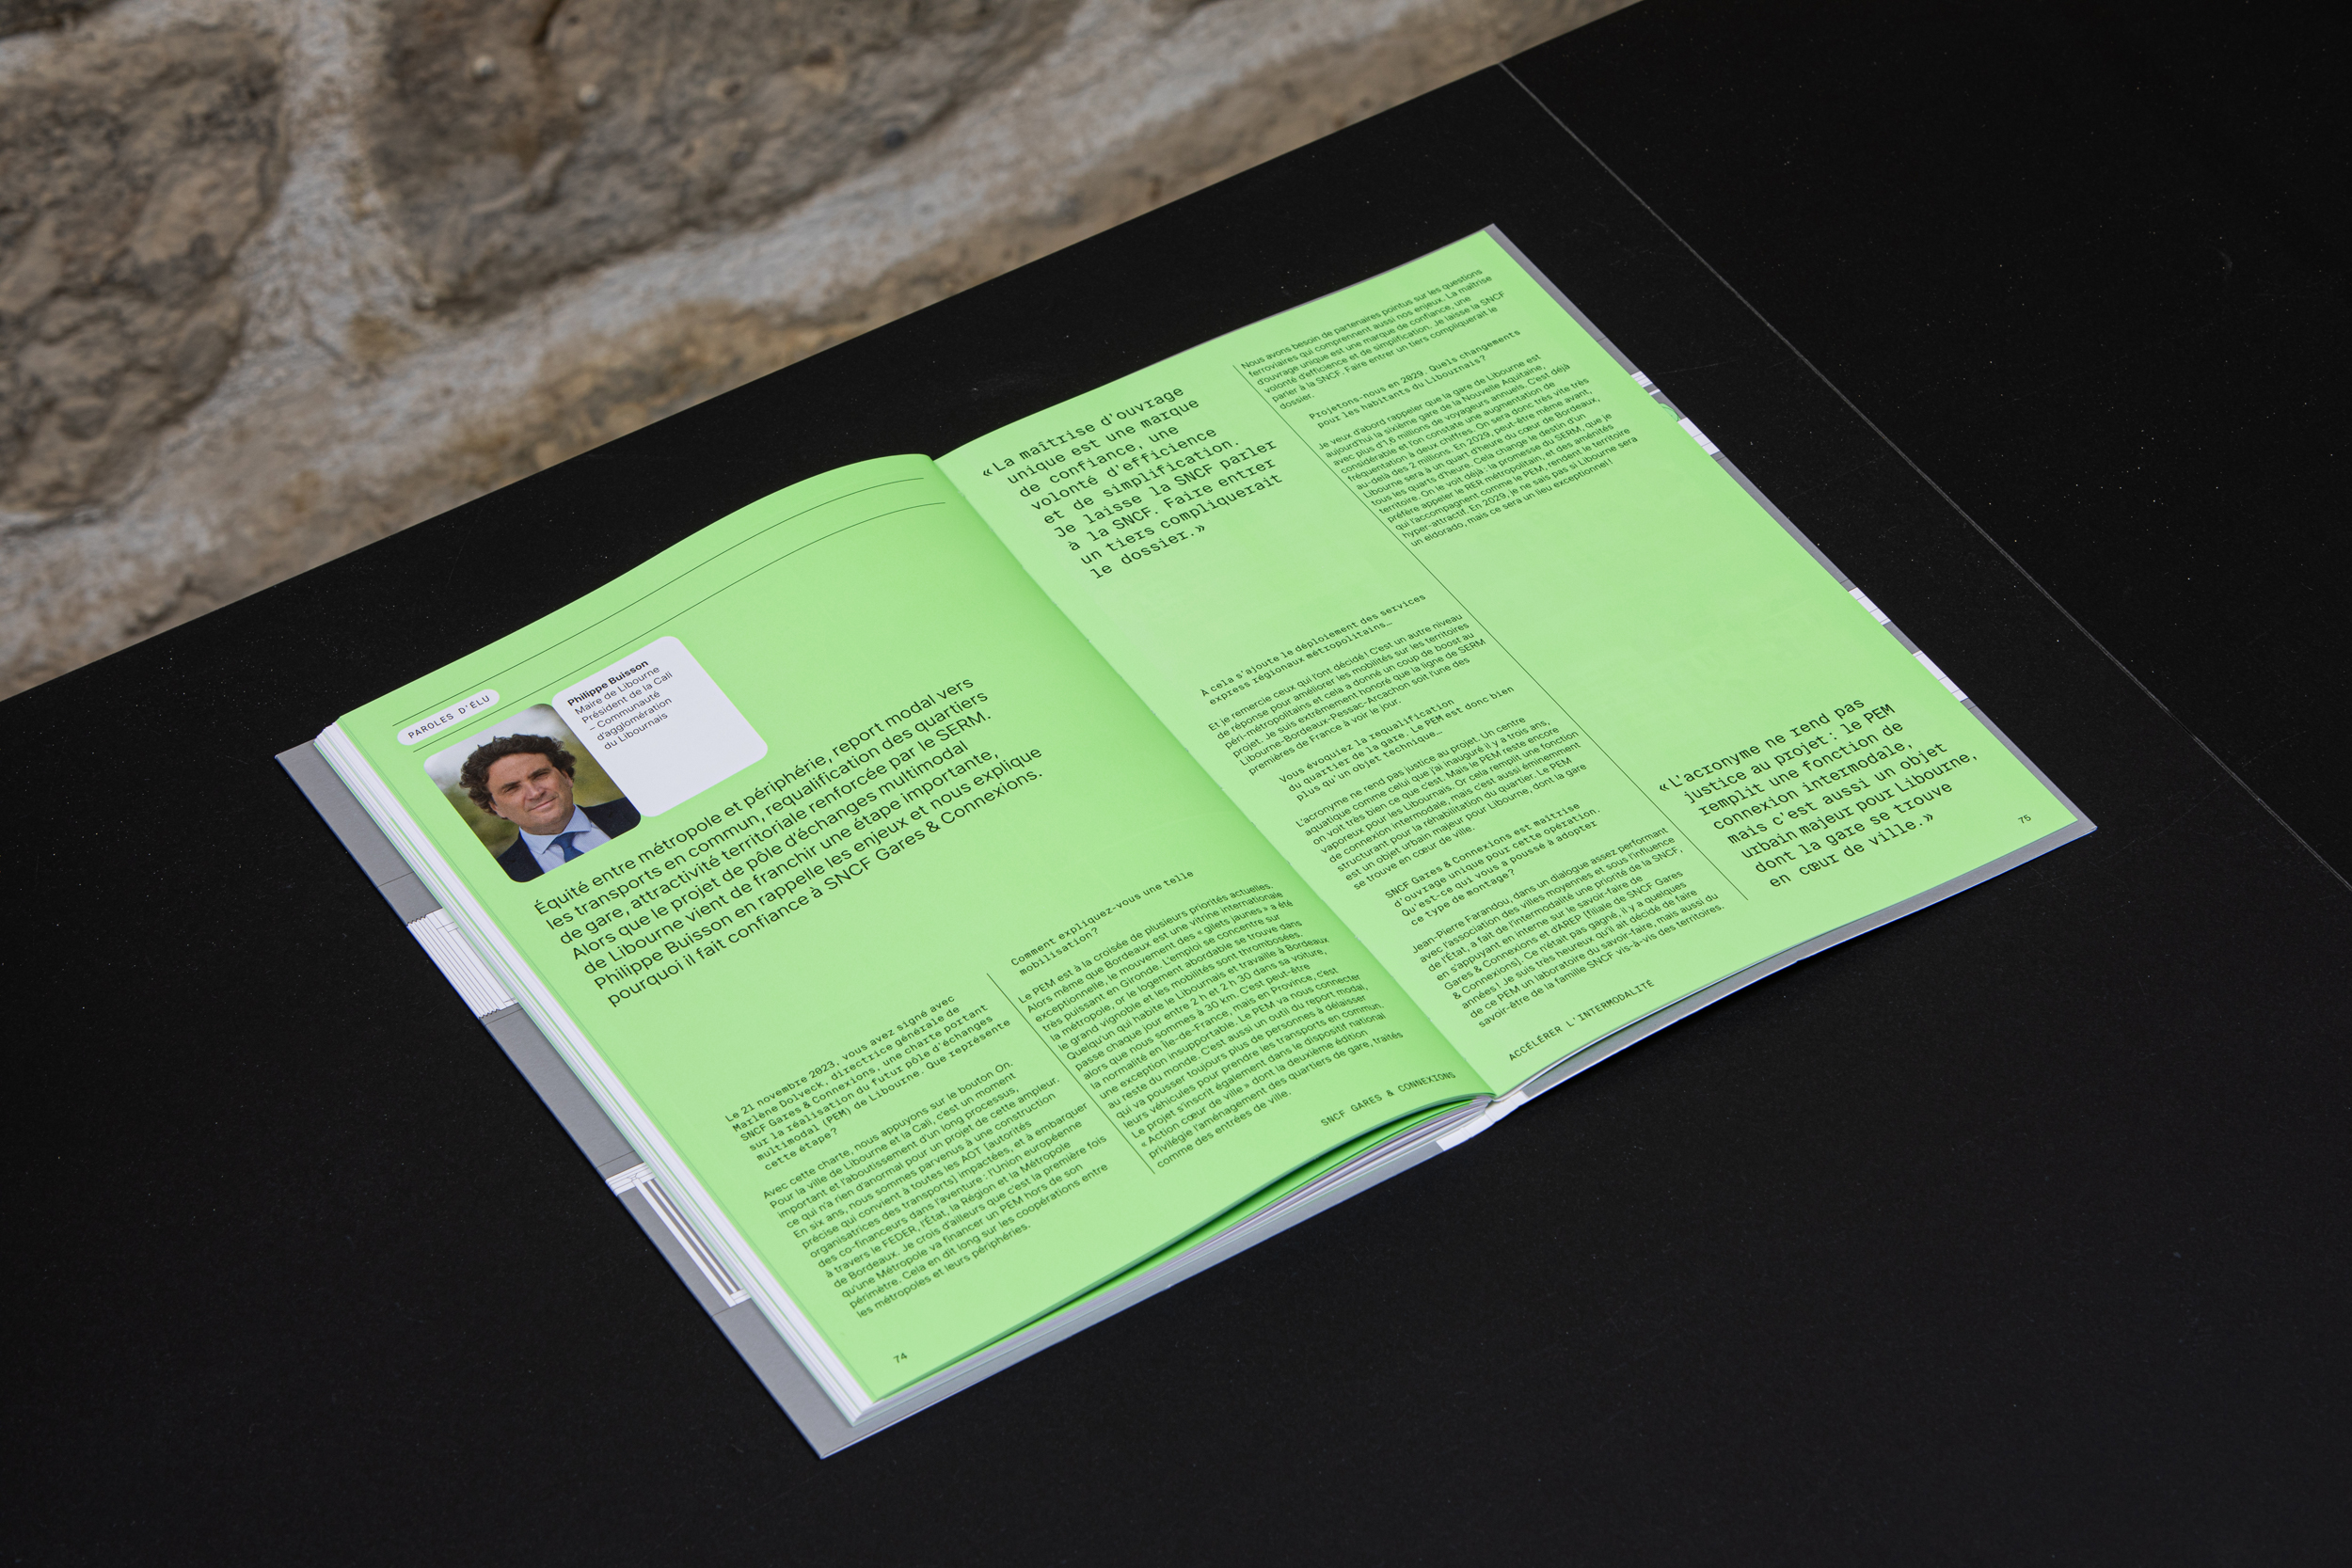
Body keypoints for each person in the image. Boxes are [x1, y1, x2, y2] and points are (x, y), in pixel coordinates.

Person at [458, 734, 641, 883]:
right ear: (495, 807)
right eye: (512, 788)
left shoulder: (636, 809)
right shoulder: (499, 879)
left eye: (540, 775)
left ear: (565, 776)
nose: (535, 793)